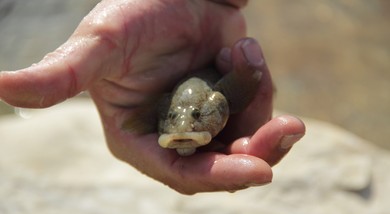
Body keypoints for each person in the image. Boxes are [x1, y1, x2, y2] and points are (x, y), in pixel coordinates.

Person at [0, 0, 305, 194]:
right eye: (173, 119)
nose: (184, 126)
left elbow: (244, 82)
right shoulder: (161, 108)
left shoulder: (219, 99)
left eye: (196, 118)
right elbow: (141, 120)